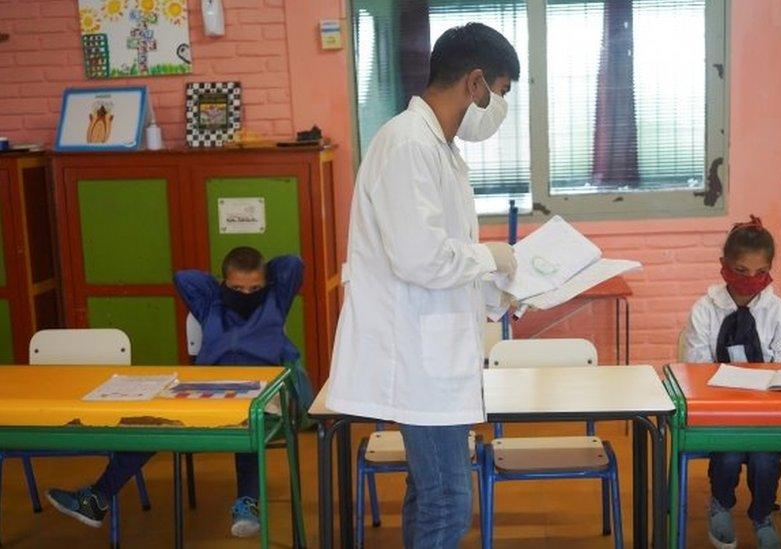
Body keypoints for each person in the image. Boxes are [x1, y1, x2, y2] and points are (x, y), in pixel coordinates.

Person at [323, 22, 520, 548]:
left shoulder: (440, 149)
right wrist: (490, 256)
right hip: (417, 361)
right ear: (475, 84)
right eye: (499, 93)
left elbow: (445, 258)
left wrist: (500, 292)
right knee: (447, 503)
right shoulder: (408, 145)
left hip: (434, 357)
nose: (498, 107)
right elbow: (420, 258)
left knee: (429, 493)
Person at [46, 246, 313, 538]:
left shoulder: (275, 300)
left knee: (251, 421)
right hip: (211, 385)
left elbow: (293, 264)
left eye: (255, 288)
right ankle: (97, 499)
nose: (246, 296)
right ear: (224, 284)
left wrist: (265, 276)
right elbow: (184, 278)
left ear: (267, 285)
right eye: (237, 288)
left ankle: (248, 503)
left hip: (264, 385)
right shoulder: (211, 303)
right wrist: (222, 288)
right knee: (153, 421)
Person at [681, 216, 781, 549]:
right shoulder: (704, 310)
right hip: (719, 411)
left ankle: (762, 515)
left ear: (770, 270)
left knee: (763, 458)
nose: (750, 280)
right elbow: (694, 369)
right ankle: (720, 505)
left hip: (768, 413)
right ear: (724, 266)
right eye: (740, 271)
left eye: (759, 273)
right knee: (730, 453)